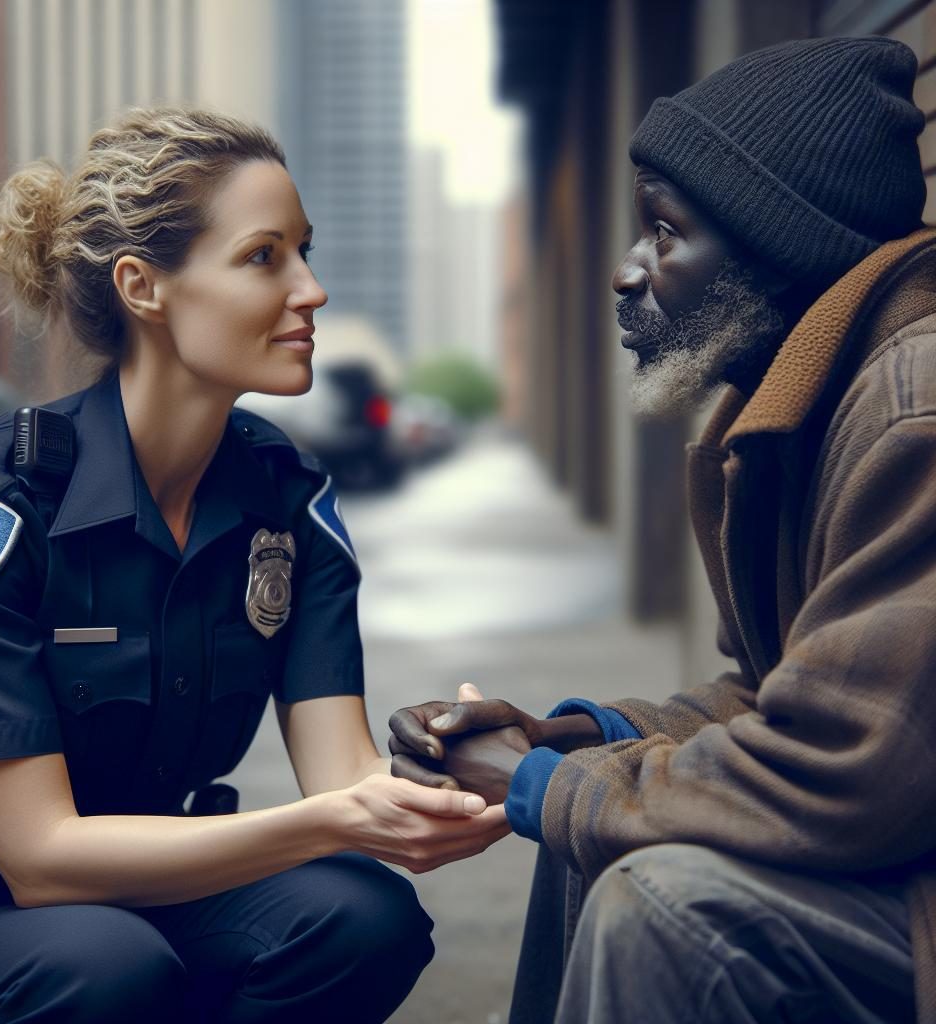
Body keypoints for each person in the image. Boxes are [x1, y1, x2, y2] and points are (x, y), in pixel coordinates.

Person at [0, 108, 508, 1023]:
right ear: (144, 287)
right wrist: (332, 824)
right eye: (265, 256)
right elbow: (39, 859)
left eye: (305, 252)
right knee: (108, 962)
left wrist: (449, 784)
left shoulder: (286, 495)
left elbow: (341, 778)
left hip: (142, 903)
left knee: (365, 916)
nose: (310, 290)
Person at [389, 35, 936, 1024]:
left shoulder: (911, 408)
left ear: (780, 243)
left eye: (662, 231)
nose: (625, 272)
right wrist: (575, 735)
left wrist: (540, 783)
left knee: (653, 902)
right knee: (598, 828)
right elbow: (770, 695)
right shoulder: (797, 413)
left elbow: (846, 767)